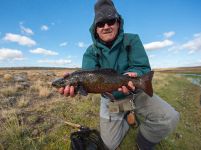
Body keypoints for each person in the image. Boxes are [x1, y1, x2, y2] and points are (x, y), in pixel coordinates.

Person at [59, 0, 180, 149]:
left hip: (135, 92)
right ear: (95, 29)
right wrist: (77, 89)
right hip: (110, 99)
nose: (106, 27)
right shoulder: (90, 52)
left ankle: (143, 143)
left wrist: (137, 75)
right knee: (109, 145)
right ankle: (127, 116)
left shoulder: (133, 40)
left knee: (170, 118)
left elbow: (141, 66)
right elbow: (88, 78)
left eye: (110, 21)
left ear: (118, 23)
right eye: (100, 24)